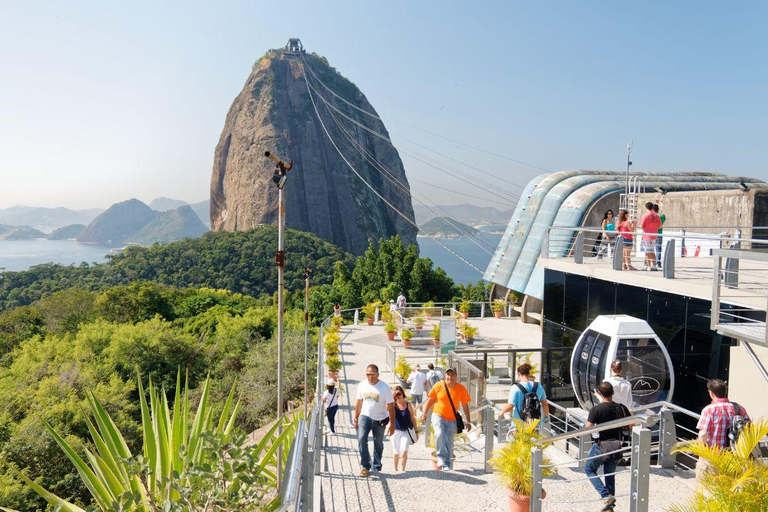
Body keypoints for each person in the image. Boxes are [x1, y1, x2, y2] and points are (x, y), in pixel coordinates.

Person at [585, 382, 631, 511]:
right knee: (610, 475)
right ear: (613, 393)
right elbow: (631, 424)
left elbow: (588, 428)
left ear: (599, 393)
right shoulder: (621, 408)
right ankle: (610, 508)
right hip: (616, 446)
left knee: (589, 469)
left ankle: (605, 496)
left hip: (601, 446)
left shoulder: (596, 410)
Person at [696, 379, 750, 481]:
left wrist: (701, 450)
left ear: (711, 393)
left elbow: (703, 434)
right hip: (734, 458)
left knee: (707, 487)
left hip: (713, 458)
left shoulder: (709, 410)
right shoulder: (739, 408)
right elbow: (749, 429)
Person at [420, 368, 472, 471]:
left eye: (452, 375)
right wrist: (424, 414)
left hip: (452, 419)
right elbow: (430, 400)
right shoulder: (439, 385)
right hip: (438, 415)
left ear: (456, 376)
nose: (450, 377)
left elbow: (465, 405)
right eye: (448, 375)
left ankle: (447, 463)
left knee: (449, 441)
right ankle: (440, 456)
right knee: (439, 434)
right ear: (445, 376)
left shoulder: (461, 389)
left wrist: (469, 421)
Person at [354, 364, 395, 476]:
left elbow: (391, 406)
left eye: (373, 374)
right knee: (361, 438)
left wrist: (392, 425)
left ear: (377, 374)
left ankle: (376, 465)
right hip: (365, 416)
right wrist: (356, 418)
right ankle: (365, 465)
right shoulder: (362, 385)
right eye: (368, 374)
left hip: (380, 419)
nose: (370, 376)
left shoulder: (384, 387)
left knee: (378, 443)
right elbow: (358, 403)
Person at [499, 363, 550, 437]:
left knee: (518, 446)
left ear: (519, 374)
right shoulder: (538, 386)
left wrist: (502, 412)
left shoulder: (515, 388)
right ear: (529, 373)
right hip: (533, 423)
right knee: (531, 445)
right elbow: (545, 404)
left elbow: (510, 405)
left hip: (518, 424)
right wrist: (546, 416)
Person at [391, 385, 418, 471]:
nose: (398, 396)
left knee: (404, 451)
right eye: (396, 395)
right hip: (395, 432)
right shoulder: (392, 405)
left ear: (403, 394)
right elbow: (385, 408)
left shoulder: (408, 405)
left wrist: (416, 432)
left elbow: (413, 419)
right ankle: (395, 470)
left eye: (399, 394)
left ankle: (403, 469)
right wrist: (392, 395)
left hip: (406, 431)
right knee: (396, 452)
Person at [423, 363, 443, 445]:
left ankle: (427, 442)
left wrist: (427, 392)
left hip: (432, 395)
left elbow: (427, 384)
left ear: (428, 368)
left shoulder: (428, 374)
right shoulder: (438, 372)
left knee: (429, 417)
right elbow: (442, 381)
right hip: (439, 395)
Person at [639, 202, 662, 271]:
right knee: (652, 251)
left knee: (647, 252)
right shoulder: (656, 216)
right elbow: (660, 226)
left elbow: (641, 226)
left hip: (646, 236)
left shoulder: (645, 216)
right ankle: (654, 265)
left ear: (646, 208)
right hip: (654, 236)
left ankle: (648, 266)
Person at [653, 202, 666, 268]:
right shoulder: (661, 216)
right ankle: (658, 263)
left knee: (650, 249)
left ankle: (649, 262)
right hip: (659, 234)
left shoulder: (652, 216)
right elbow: (664, 219)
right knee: (658, 249)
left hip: (652, 233)